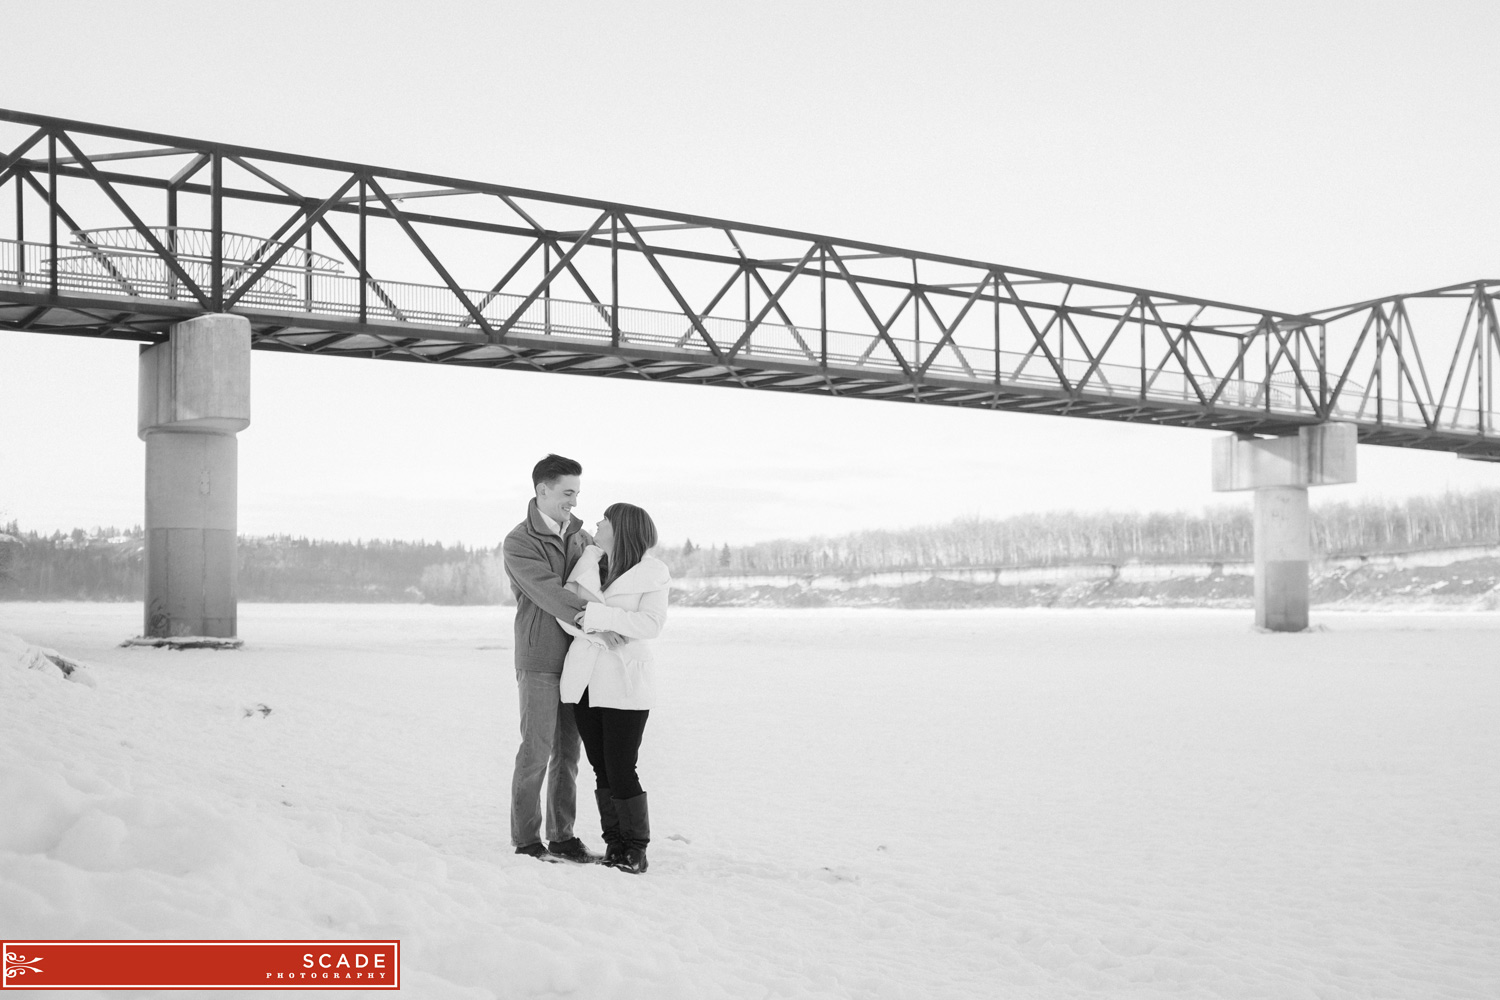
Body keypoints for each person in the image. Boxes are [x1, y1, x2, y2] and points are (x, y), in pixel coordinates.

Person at [501, 454, 626, 863]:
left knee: (567, 754)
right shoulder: (519, 542)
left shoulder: (579, 535)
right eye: (567, 492)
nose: (574, 501)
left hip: (577, 656)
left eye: (577, 493)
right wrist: (593, 620)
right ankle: (526, 840)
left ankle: (563, 836)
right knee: (536, 750)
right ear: (543, 490)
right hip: (539, 657)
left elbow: (602, 576)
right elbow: (549, 592)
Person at [557, 502, 670, 874]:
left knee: (622, 765)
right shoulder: (589, 562)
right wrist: (598, 627)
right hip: (585, 678)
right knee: (601, 766)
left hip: (625, 682)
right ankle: (615, 844)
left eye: (605, 519)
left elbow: (650, 624)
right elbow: (565, 612)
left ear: (622, 529)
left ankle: (636, 848)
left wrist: (596, 617)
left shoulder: (653, 573)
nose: (597, 523)